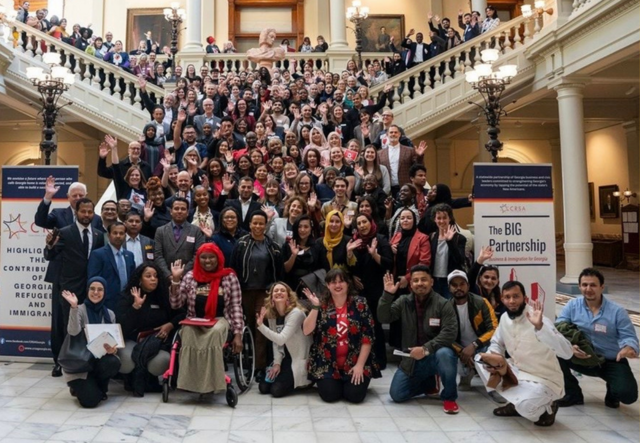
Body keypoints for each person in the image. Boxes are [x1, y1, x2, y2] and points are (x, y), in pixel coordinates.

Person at [475, 281, 573, 426]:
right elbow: (496, 343)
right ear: (502, 299)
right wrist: (492, 359)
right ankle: (515, 404)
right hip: (518, 373)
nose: (512, 301)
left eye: (516, 296)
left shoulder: (539, 320)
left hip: (544, 379)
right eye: (507, 297)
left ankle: (550, 406)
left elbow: (567, 353)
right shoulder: (504, 318)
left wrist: (540, 328)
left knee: (528, 410)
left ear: (525, 298)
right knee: (479, 360)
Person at [35, 178, 102, 377]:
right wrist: (47, 197)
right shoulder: (59, 214)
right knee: (61, 322)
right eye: (75, 196)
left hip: (88, 281)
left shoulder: (95, 219)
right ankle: (60, 360)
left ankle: (86, 358)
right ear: (69, 198)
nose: (78, 199)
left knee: (86, 320)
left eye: (82, 195)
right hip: (62, 279)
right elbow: (40, 222)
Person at [378, 266, 460, 413]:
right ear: (411, 284)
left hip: (435, 355)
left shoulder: (443, 303)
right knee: (397, 395)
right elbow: (383, 317)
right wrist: (387, 295)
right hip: (412, 359)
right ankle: (428, 383)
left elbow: (449, 333)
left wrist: (425, 349)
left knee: (446, 354)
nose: (419, 283)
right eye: (415, 280)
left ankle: (449, 398)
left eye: (424, 280)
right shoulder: (404, 301)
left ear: (432, 282)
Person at [555, 267, 639, 408]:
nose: (588, 289)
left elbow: (629, 336)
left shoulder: (617, 311)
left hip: (610, 361)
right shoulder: (572, 305)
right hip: (580, 356)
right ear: (580, 287)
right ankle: (573, 393)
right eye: (584, 285)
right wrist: (569, 346)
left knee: (628, 395)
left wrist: (629, 348)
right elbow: (558, 329)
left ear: (601, 287)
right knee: (553, 351)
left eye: (593, 285)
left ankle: (613, 390)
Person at [169, 243, 244, 393]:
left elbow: (236, 307)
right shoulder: (191, 276)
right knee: (187, 332)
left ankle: (212, 384)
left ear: (218, 258)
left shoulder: (229, 277)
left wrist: (238, 334)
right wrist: (176, 281)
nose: (207, 261)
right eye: (203, 257)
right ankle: (190, 383)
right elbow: (176, 304)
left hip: (220, 319)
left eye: (211, 257)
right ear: (198, 259)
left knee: (215, 333)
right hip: (194, 319)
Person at [304, 268, 381, 403]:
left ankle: (348, 380)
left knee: (354, 396)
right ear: (328, 285)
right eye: (333, 282)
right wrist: (315, 307)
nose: (338, 285)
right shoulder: (322, 305)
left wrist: (359, 365)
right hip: (327, 363)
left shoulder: (360, 304)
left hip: (355, 361)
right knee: (330, 396)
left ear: (348, 284)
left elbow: (368, 337)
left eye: (341, 281)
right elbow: (306, 331)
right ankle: (334, 381)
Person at [117, 263, 184, 395]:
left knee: (161, 360)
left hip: (155, 342)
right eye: (148, 276)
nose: (153, 279)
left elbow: (182, 313)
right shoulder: (128, 296)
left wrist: (170, 324)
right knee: (127, 360)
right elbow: (121, 326)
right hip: (132, 340)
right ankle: (132, 378)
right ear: (140, 280)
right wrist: (135, 307)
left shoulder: (163, 295)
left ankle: (146, 379)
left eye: (156, 276)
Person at [231, 210, 284, 374]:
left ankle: (260, 367)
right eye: (255, 223)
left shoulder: (273, 247)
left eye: (261, 223)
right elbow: (233, 268)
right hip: (244, 290)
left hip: (264, 292)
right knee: (245, 326)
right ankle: (246, 363)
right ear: (250, 224)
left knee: (260, 327)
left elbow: (279, 272)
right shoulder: (241, 244)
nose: (258, 226)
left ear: (266, 225)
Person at [61, 277, 121, 408]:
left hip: (97, 361)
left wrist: (113, 350)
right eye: (92, 289)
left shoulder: (109, 314)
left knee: (113, 361)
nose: (96, 292)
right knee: (90, 402)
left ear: (105, 292)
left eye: (100, 289)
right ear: (87, 290)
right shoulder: (80, 309)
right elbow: (73, 331)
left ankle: (97, 386)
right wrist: (74, 307)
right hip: (80, 364)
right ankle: (79, 388)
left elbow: (113, 342)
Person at [349, 214, 393, 369]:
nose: (362, 225)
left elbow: (389, 264)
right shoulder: (354, 241)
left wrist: (375, 255)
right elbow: (350, 266)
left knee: (376, 326)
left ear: (371, 222)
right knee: (360, 327)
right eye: (359, 223)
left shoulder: (380, 240)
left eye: (364, 222)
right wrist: (353, 275)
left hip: (376, 290)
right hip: (359, 292)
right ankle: (363, 360)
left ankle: (379, 361)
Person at [256, 282, 312, 397]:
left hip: (296, 357)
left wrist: (261, 326)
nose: (279, 292)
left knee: (276, 391)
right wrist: (277, 363)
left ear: (288, 296)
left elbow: (281, 339)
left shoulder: (296, 313)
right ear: (271, 297)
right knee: (263, 387)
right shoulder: (272, 315)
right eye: (275, 291)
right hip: (284, 357)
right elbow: (276, 343)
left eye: (282, 290)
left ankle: (305, 382)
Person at [446, 270, 498, 393]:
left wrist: (474, 346)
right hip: (461, 349)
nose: (459, 288)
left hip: (481, 344)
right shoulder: (445, 307)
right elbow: (444, 335)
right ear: (449, 288)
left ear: (468, 286)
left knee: (495, 349)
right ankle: (465, 377)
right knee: (444, 351)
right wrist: (462, 351)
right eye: (454, 285)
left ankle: (494, 388)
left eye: (462, 284)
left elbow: (494, 328)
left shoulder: (481, 302)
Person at [87, 222, 137, 311]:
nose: (118, 236)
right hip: (105, 303)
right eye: (115, 233)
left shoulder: (129, 255)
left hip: (126, 302)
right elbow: (93, 279)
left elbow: (133, 279)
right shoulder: (98, 254)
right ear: (109, 235)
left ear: (125, 236)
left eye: (121, 233)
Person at [154, 197, 206, 280]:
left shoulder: (196, 231)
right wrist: (169, 275)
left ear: (187, 212)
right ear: (171, 211)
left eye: (183, 209)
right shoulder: (160, 231)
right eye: (176, 208)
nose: (179, 211)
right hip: (165, 278)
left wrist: (182, 273)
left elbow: (198, 255)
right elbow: (158, 256)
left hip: (189, 277)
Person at [429, 204, 467, 299]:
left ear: (449, 218)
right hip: (434, 281)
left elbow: (460, 260)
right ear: (435, 219)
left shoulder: (459, 238)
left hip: (450, 281)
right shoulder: (431, 237)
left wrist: (450, 241)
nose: (441, 221)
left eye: (444, 218)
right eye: (439, 218)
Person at [467, 246, 505, 318]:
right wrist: (480, 260)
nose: (489, 281)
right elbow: (468, 280)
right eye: (486, 277)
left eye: (493, 278)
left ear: (498, 281)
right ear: (480, 278)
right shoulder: (475, 291)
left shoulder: (499, 298)